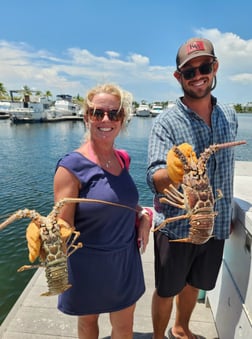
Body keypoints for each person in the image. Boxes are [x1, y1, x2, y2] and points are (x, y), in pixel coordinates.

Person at [146, 38, 238, 339]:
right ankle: (159, 337)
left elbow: (226, 168)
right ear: (178, 77)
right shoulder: (165, 122)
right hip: (178, 228)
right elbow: (153, 177)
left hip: (217, 224)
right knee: (166, 289)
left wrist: (227, 210)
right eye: (189, 71)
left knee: (195, 284)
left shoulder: (230, 114)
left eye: (205, 66)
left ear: (215, 67)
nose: (198, 75)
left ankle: (181, 328)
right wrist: (173, 171)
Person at [53, 83, 153, 339]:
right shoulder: (70, 167)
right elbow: (63, 230)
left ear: (123, 119)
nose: (106, 119)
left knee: (124, 328)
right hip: (88, 263)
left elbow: (122, 201)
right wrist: (48, 233)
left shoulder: (123, 158)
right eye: (98, 113)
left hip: (125, 259)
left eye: (114, 113)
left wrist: (142, 216)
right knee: (88, 325)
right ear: (87, 117)